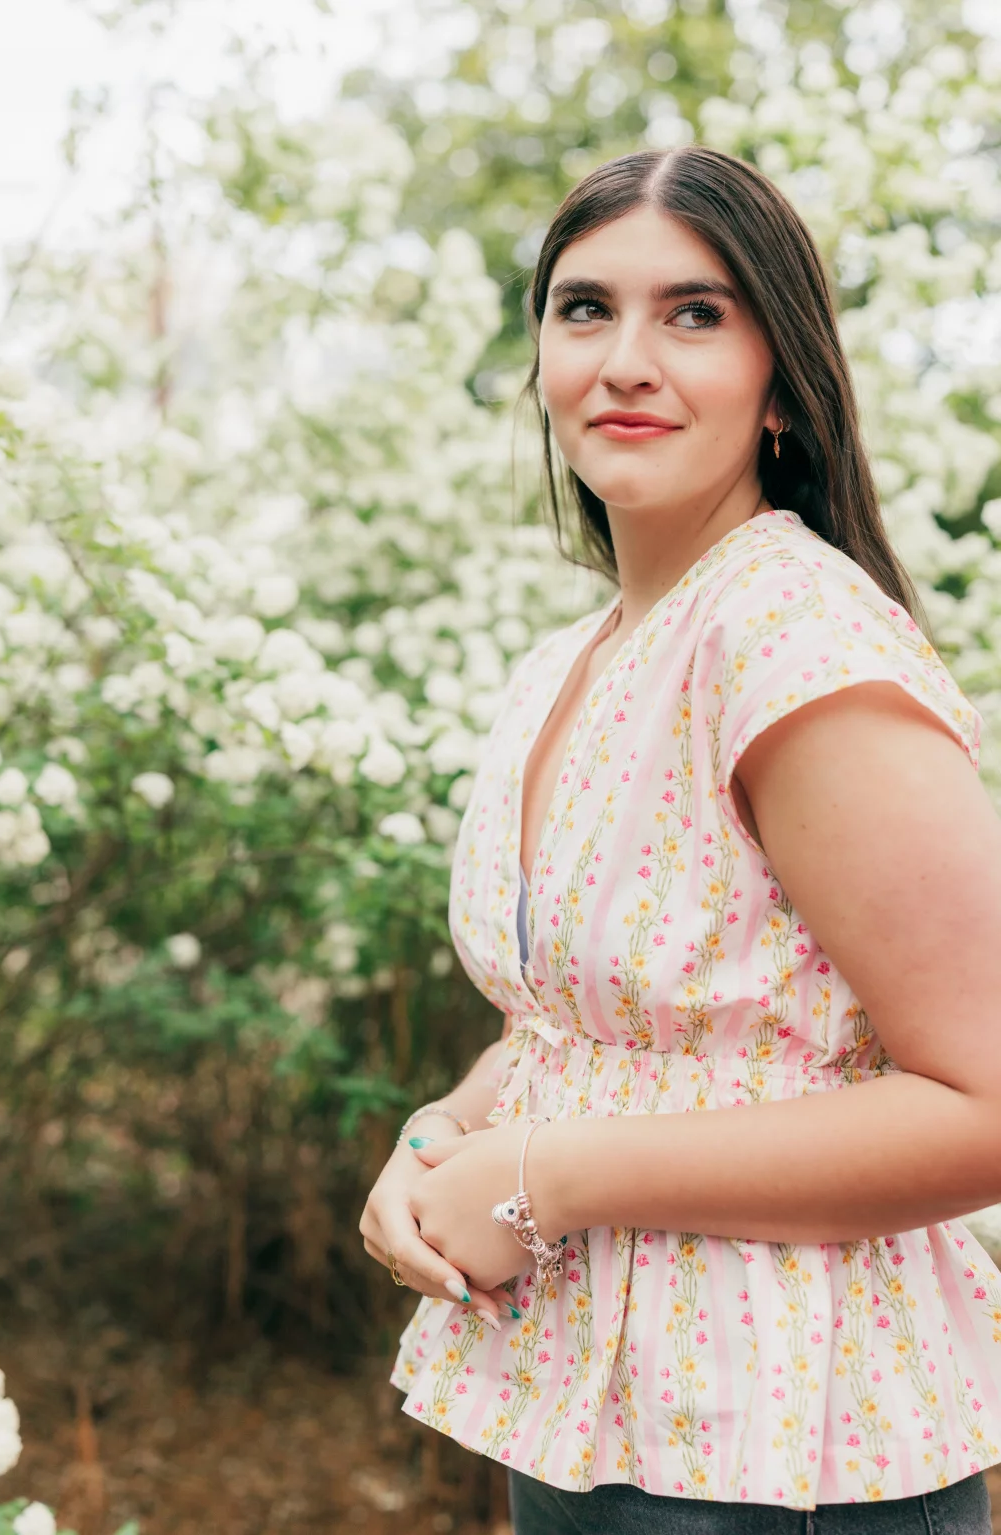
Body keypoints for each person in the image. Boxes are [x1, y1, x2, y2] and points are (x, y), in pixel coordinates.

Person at [359, 145, 1001, 1533]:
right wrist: (441, 1136)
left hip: (786, 1446)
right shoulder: (574, 656)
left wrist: (548, 1174)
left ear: (783, 385)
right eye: (585, 308)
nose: (627, 358)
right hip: (588, 1408)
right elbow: (609, 1021)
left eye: (695, 313)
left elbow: (987, 1101)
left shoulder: (792, 637)